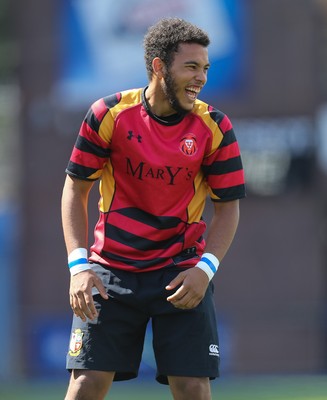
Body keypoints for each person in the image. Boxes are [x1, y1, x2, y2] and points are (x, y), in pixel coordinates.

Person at [61, 17, 246, 400]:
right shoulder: (107, 114)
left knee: (193, 387)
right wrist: (79, 267)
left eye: (205, 68)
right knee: (85, 384)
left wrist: (204, 271)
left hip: (180, 273)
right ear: (159, 66)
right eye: (191, 67)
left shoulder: (215, 126)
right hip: (110, 271)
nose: (201, 78)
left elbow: (227, 209)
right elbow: (74, 190)